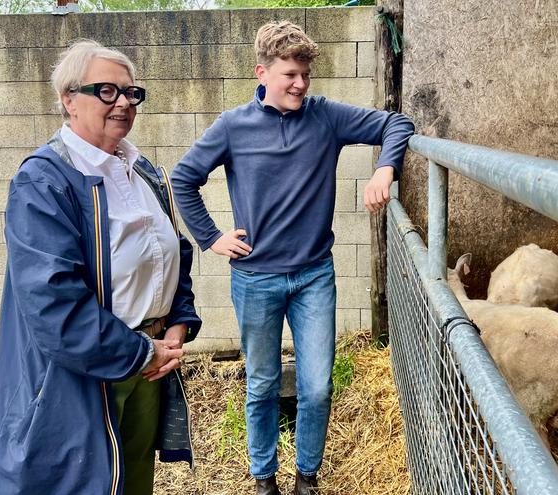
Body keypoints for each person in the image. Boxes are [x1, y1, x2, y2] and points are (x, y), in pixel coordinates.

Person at [171, 21, 414, 495]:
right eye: (290, 74)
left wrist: (385, 168)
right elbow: (184, 179)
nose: (301, 83)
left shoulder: (326, 117)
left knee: (317, 386)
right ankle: (264, 480)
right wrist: (211, 237)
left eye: (305, 73)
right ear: (262, 72)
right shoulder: (232, 126)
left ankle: (307, 477)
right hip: (255, 279)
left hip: (313, 278)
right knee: (261, 385)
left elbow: (396, 123)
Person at [0, 40, 201, 495]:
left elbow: (171, 256)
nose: (124, 102)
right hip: (82, 374)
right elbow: (53, 303)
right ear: (68, 99)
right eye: (107, 91)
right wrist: (137, 352)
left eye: (131, 93)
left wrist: (179, 321)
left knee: (132, 482)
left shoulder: (141, 170)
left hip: (149, 364)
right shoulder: (44, 180)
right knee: (82, 482)